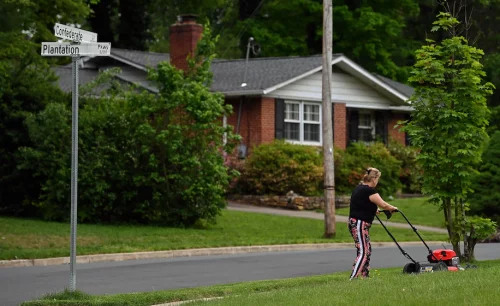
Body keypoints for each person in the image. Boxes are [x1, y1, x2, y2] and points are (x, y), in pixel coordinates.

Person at [348, 167, 398, 280]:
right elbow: (383, 204)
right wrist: (392, 208)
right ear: (374, 179)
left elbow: (362, 204)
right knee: (364, 251)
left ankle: (364, 276)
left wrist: (374, 210)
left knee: (367, 249)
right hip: (359, 223)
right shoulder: (369, 190)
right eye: (378, 179)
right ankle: (353, 277)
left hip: (356, 222)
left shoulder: (359, 188)